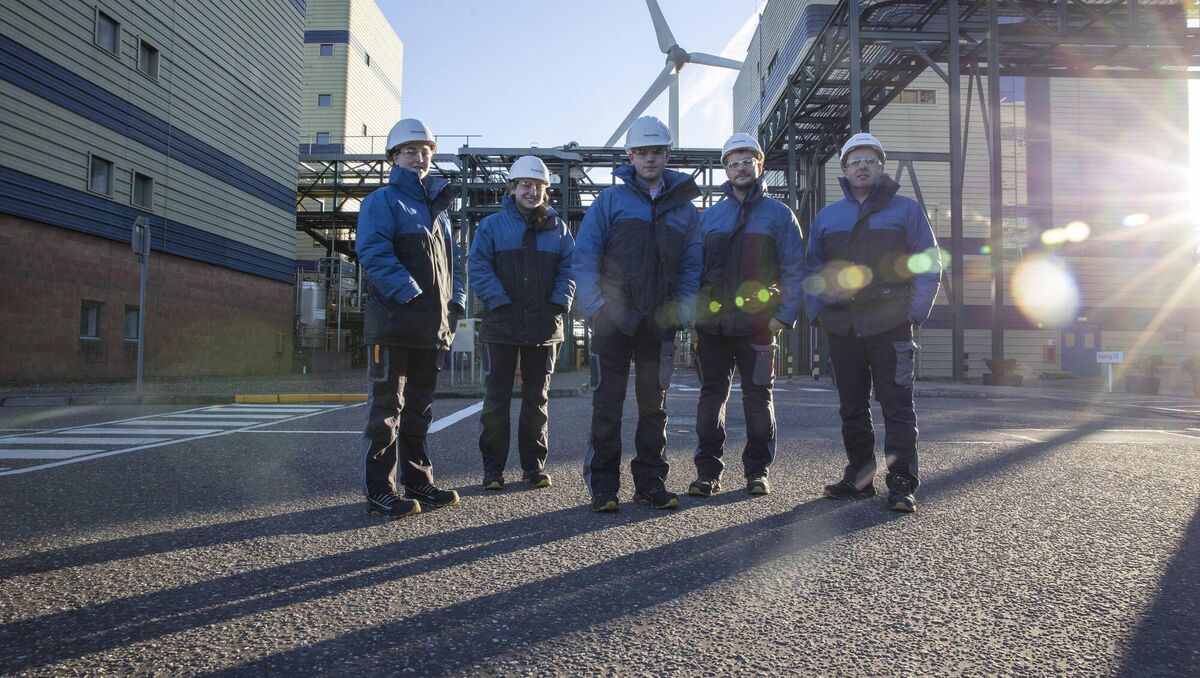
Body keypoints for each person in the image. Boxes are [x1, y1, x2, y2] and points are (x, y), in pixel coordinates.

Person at [804, 132, 941, 512]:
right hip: (842, 327)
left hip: (890, 322)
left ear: (881, 167)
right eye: (855, 161)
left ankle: (901, 481)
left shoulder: (906, 211)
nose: (862, 166)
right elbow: (812, 266)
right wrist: (818, 311)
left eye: (870, 160)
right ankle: (860, 478)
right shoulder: (828, 217)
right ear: (844, 170)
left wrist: (915, 312)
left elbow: (929, 264)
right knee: (852, 405)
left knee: (896, 404)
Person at [573, 115, 702, 512]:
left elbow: (692, 266)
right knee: (606, 405)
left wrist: (682, 309)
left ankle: (650, 483)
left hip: (657, 322)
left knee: (654, 407)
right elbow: (585, 256)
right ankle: (604, 487)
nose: (649, 158)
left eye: (656, 152)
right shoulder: (610, 201)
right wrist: (595, 308)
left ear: (667, 155)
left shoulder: (684, 209)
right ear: (630, 156)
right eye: (642, 152)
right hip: (613, 321)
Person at [356, 117, 466, 518]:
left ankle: (419, 481)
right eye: (410, 150)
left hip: (430, 328)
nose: (419, 157)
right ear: (394, 157)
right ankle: (380, 491)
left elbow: (455, 266)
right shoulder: (382, 202)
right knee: (387, 410)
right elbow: (372, 252)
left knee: (420, 410)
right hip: (394, 323)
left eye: (426, 151)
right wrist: (411, 295)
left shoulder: (439, 212)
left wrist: (454, 304)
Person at [688, 133, 805, 498]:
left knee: (758, 399)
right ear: (725, 168)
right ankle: (708, 472)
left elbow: (795, 270)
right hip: (713, 328)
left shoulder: (779, 214)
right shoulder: (710, 218)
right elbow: (693, 270)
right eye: (733, 162)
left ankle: (757, 471)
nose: (740, 167)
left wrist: (782, 318)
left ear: (760, 165)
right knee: (711, 399)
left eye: (747, 161)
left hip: (758, 328)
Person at [468, 155, 575, 491]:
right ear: (512, 188)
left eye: (539, 186)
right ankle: (493, 470)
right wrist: (500, 303)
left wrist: (558, 303)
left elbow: (569, 269)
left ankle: (534, 468)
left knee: (536, 400)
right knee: (496, 399)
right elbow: (478, 268)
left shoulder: (558, 228)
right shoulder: (491, 227)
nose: (532, 191)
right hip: (501, 324)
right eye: (525, 185)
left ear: (546, 190)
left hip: (544, 326)